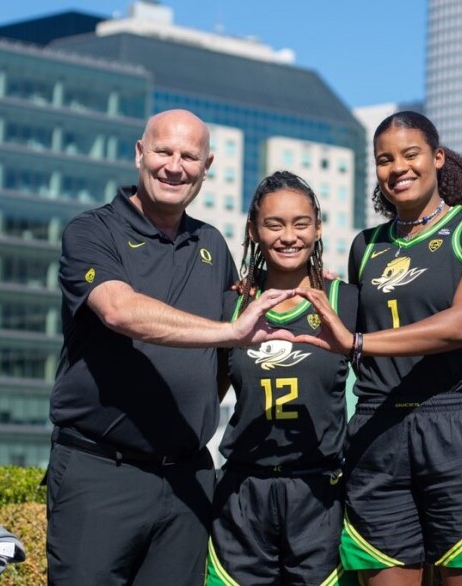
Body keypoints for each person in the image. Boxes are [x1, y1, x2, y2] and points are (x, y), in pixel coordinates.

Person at [46, 109, 295, 586]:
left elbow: (235, 338)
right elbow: (120, 311)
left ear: (208, 165)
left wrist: (309, 280)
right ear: (140, 153)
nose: (174, 166)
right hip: (101, 473)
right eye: (163, 151)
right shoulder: (91, 231)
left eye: (189, 156)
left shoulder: (212, 244)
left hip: (188, 478)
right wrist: (229, 333)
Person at [296, 111, 462, 585]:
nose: (397, 167)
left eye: (410, 154)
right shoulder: (366, 246)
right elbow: (352, 313)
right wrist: (253, 288)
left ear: (437, 158)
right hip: (377, 431)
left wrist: (359, 342)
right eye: (384, 159)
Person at [206, 171, 358, 585]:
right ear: (253, 231)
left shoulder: (347, 300)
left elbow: (401, 359)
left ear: (318, 228)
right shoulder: (230, 306)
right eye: (274, 224)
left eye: (300, 223)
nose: (288, 236)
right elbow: (204, 387)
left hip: (319, 495)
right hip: (242, 495)